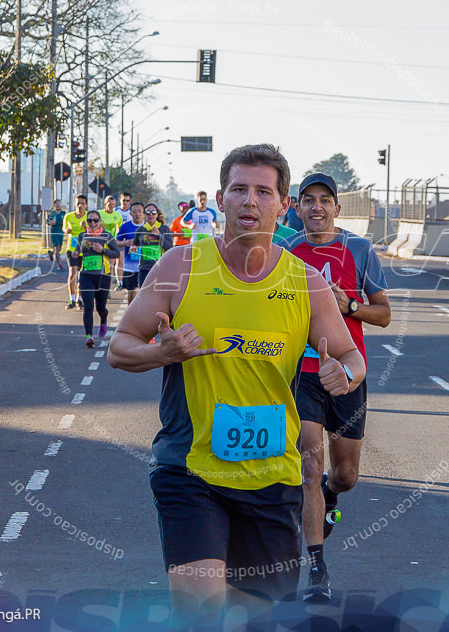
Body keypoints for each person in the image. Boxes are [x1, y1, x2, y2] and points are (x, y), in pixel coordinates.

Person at [108, 144, 365, 626]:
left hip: (273, 476)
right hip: (191, 469)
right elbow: (119, 347)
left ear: (282, 205)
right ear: (220, 199)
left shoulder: (306, 283)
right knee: (200, 609)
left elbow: (350, 356)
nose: (250, 201)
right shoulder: (181, 267)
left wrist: (343, 373)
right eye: (239, 189)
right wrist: (159, 353)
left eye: (263, 191)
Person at [281, 172, 391, 603]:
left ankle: (330, 495)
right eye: (308, 200)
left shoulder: (360, 250)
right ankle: (317, 569)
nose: (316, 208)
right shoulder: (286, 251)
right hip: (303, 373)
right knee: (308, 468)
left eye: (325, 200)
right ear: (298, 207)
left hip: (348, 374)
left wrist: (350, 306)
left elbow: (383, 315)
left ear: (337, 208)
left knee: (344, 476)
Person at [72, 210, 120, 348]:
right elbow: (78, 251)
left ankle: (104, 319)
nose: (92, 223)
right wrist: (76, 254)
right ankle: (89, 336)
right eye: (90, 221)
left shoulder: (107, 236)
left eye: (95, 221)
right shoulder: (82, 235)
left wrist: (103, 251)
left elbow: (116, 253)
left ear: (100, 222)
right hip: (86, 275)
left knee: (100, 307)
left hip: (103, 276)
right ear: (86, 222)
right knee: (88, 306)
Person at [134, 203, 173, 287]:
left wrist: (158, 235)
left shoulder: (164, 228)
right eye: (148, 212)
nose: (151, 214)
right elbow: (135, 246)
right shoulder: (140, 230)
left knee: (160, 296)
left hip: (160, 268)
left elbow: (169, 247)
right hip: (144, 268)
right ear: (144, 215)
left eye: (153, 212)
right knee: (143, 295)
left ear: (157, 214)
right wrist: (133, 249)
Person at [116, 201, 145, 304]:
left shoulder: (149, 227)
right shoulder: (125, 227)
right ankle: (130, 313)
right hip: (130, 265)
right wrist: (125, 242)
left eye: (139, 211)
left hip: (146, 265)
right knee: (132, 292)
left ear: (143, 213)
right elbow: (116, 242)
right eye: (134, 212)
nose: (137, 214)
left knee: (144, 292)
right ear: (130, 213)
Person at [63, 195, 88, 309]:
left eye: (82, 203)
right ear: (75, 204)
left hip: (85, 249)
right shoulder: (68, 216)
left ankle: (80, 298)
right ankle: (71, 299)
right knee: (72, 273)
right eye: (78, 203)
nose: (80, 206)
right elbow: (64, 229)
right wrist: (66, 230)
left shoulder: (89, 217)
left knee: (82, 275)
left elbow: (95, 231)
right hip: (72, 248)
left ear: (86, 205)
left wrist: (85, 228)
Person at [99, 195, 124, 289]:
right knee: (100, 267)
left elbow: (120, 229)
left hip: (111, 243)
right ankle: (99, 287)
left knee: (110, 267)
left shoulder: (117, 215)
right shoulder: (99, 213)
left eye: (113, 205)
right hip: (100, 242)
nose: (111, 206)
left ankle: (107, 290)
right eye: (110, 204)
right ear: (105, 204)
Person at [46, 198, 66, 271]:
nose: (58, 205)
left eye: (59, 203)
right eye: (56, 203)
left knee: (59, 248)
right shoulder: (52, 214)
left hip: (61, 231)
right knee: (57, 248)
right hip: (54, 231)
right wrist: (51, 222)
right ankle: (59, 264)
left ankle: (51, 253)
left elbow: (66, 222)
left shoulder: (63, 213)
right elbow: (48, 222)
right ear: (54, 205)